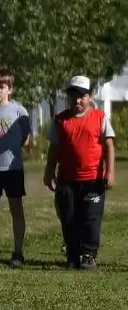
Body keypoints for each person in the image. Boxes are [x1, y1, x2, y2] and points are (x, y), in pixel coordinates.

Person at [43, 75, 116, 270]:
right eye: (73, 95)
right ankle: (73, 253)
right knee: (68, 216)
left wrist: (110, 171)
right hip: (67, 180)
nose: (77, 100)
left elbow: (108, 145)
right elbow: (54, 149)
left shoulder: (100, 117)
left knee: (91, 219)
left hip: (93, 180)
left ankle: (89, 255)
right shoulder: (61, 121)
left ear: (90, 97)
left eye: (82, 96)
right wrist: (49, 171)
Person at [0, 66, 33, 267]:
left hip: (12, 169)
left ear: (10, 88)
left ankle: (18, 252)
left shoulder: (20, 111)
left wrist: (15, 147)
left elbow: (26, 137)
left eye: (2, 86)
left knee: (16, 210)